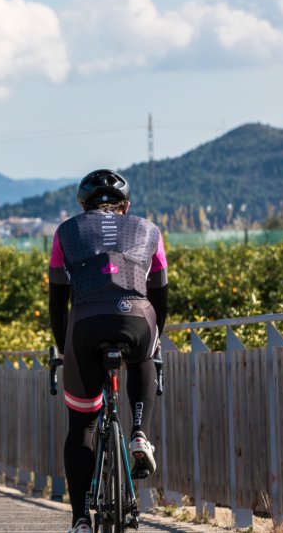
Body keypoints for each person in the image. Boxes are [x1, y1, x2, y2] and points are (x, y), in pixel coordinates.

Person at [48, 169, 168, 533]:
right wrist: (155, 337)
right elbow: (160, 294)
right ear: (126, 206)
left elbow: (58, 299)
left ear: (83, 207)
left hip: (84, 324)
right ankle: (139, 434)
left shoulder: (66, 232)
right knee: (144, 356)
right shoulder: (149, 230)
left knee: (82, 424)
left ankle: (81, 517)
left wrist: (64, 349)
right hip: (137, 319)